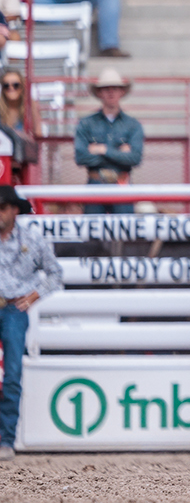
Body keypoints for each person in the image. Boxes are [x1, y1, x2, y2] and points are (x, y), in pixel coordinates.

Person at [0, 185, 62, 459]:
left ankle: (6, 439)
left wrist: (34, 295)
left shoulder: (32, 239)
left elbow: (55, 274)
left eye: (2, 208)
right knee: (12, 372)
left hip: (14, 308)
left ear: (14, 210)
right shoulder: (31, 239)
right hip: (13, 309)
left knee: (12, 374)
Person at [74, 69, 142, 196]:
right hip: (95, 184)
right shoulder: (86, 123)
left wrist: (102, 149)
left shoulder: (133, 125)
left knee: (124, 217)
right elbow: (81, 157)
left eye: (115, 88)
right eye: (106, 88)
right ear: (99, 92)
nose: (111, 92)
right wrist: (119, 154)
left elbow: (135, 158)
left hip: (122, 185)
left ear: (122, 92)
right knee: (93, 217)